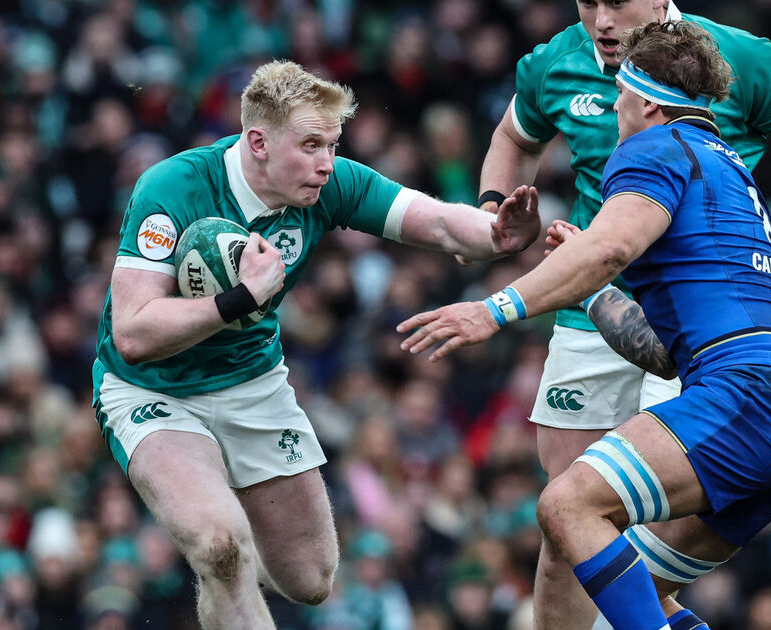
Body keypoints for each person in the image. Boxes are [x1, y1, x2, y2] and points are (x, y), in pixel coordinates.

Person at [401, 21, 771, 630]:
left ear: (647, 100)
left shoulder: (653, 146)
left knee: (566, 505)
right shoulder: (732, 172)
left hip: (743, 399)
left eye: (619, 97)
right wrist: (598, 291)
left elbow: (610, 248)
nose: (614, 110)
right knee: (635, 593)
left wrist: (490, 310)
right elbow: (663, 352)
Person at [92, 60, 541, 630]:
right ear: (258, 142)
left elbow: (440, 223)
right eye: (310, 145)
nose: (326, 163)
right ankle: (222, 554)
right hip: (152, 391)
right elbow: (132, 334)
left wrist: (496, 234)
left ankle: (229, 556)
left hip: (250, 383)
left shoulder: (328, 185)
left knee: (311, 580)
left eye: (331, 144)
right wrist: (238, 298)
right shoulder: (173, 187)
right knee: (219, 545)